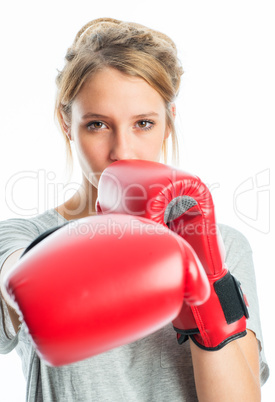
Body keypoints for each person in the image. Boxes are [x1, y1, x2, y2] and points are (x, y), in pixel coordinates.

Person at [0, 17, 269, 401]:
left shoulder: (224, 246)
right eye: (97, 124)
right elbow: (18, 283)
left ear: (168, 123)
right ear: (66, 123)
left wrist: (206, 282)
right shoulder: (22, 237)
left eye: (143, 123)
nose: (121, 151)